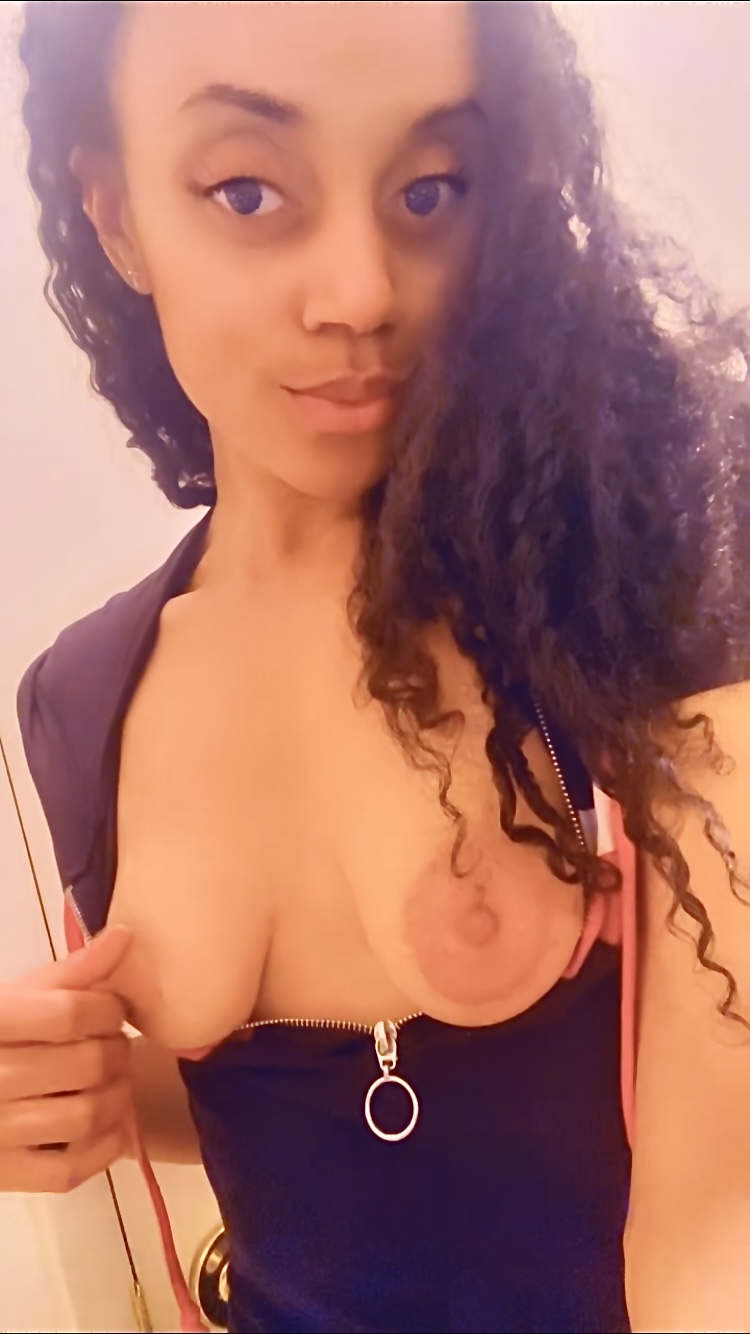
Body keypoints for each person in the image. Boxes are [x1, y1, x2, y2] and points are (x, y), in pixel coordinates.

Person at [5, 2, 750, 1331]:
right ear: (115, 213)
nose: (361, 290)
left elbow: (714, 1244)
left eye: (429, 189)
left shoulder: (643, 600)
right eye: (247, 190)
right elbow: (285, 1125)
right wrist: (87, 1099)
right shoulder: (78, 701)